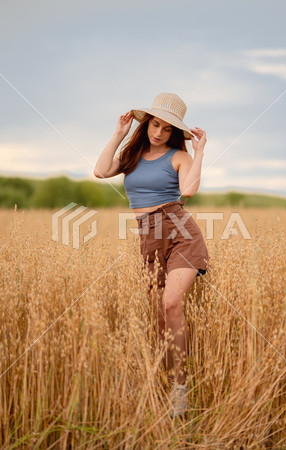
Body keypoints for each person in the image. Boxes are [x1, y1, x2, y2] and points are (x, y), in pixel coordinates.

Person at [94, 92, 210, 418]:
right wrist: (118, 133)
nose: (158, 132)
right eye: (154, 124)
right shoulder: (132, 157)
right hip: (149, 238)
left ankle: (180, 391)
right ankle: (167, 379)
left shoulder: (178, 157)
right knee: (161, 317)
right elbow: (101, 171)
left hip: (181, 233)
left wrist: (199, 152)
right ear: (147, 124)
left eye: (166, 128)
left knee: (171, 302)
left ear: (175, 133)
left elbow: (187, 190)